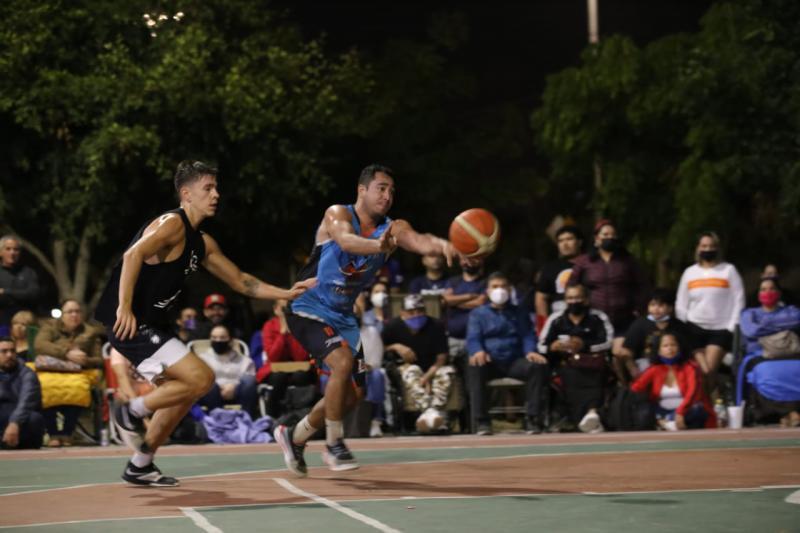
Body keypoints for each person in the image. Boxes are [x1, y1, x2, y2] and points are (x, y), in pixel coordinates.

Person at [94, 160, 312, 487]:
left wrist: (286, 293)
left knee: (181, 393)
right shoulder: (171, 223)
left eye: (216, 187)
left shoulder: (203, 243)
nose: (216, 194)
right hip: (131, 323)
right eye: (207, 188)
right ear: (186, 194)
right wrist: (124, 306)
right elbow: (131, 256)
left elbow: (241, 281)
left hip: (155, 323)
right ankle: (130, 412)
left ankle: (140, 464)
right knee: (202, 378)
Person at [274, 163, 458, 476]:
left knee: (353, 396)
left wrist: (443, 245)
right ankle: (334, 444)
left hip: (343, 316)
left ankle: (294, 436)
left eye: (391, 191)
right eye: (381, 188)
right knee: (343, 363)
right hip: (307, 306)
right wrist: (379, 246)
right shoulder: (338, 214)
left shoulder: (392, 228)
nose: (387, 196)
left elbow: (417, 239)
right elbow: (346, 241)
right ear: (362, 190)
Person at [466, 272, 549, 435]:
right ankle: (482, 421)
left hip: (514, 361)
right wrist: (478, 351)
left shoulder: (520, 312)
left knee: (536, 367)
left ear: (510, 290)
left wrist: (531, 351)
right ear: (487, 291)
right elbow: (473, 337)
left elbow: (528, 335)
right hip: (491, 361)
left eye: (503, 286)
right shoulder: (478, 314)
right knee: (475, 367)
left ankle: (533, 419)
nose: (500, 290)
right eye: (495, 287)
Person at [568, 220, 649, 366]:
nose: (609, 238)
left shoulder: (627, 261)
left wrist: (638, 309)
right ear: (596, 238)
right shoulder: (584, 262)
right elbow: (572, 286)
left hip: (623, 319)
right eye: (605, 234)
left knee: (621, 355)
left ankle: (627, 387)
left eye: (613, 235)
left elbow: (642, 286)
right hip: (594, 320)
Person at [538, 284, 614, 433]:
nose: (574, 301)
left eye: (578, 298)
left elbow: (608, 342)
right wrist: (552, 347)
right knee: (570, 375)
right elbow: (541, 345)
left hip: (592, 362)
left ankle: (591, 413)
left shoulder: (598, 317)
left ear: (586, 300)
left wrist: (584, 346)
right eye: (570, 298)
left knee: (595, 375)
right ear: (565, 300)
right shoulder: (556, 319)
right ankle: (586, 417)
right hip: (564, 364)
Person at [675, 231, 745, 392]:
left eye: (711, 246)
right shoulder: (689, 273)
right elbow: (681, 303)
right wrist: (683, 326)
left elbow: (739, 300)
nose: (708, 249)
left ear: (717, 249)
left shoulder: (729, 270)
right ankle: (703, 405)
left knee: (710, 369)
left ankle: (707, 405)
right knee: (700, 371)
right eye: (704, 246)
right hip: (694, 328)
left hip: (720, 329)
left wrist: (732, 326)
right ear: (698, 249)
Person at [33, 299, 103, 447]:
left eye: (77, 311)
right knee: (46, 388)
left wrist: (86, 361)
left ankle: (67, 433)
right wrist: (66, 353)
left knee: (77, 389)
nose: (74, 315)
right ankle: (53, 434)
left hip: (77, 374)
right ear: (62, 315)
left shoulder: (90, 332)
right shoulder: (50, 326)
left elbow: (99, 359)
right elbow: (39, 345)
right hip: (50, 371)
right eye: (70, 312)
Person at [382, 294, 453, 433]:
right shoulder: (392, 326)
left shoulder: (436, 325)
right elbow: (380, 347)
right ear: (402, 312)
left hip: (432, 367)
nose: (416, 315)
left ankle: (429, 413)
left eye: (420, 311)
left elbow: (442, 357)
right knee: (412, 371)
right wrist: (396, 346)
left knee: (446, 372)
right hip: (405, 366)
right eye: (411, 312)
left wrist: (427, 377)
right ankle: (432, 415)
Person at [738, 278, 800, 427]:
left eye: (771, 288)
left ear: (779, 292)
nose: (767, 292)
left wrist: (764, 324)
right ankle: (790, 413)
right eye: (763, 289)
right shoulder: (749, 313)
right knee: (766, 373)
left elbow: (796, 320)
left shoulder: (791, 310)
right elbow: (751, 330)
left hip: (790, 353)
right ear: (758, 293)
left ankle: (787, 416)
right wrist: (781, 325)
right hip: (760, 356)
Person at [630, 332, 716, 430]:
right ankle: (664, 422)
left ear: (679, 347)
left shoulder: (690, 367)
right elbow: (636, 388)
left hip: (686, 410)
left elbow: (693, 393)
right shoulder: (654, 369)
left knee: (697, 408)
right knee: (644, 411)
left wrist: (680, 413)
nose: (670, 349)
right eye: (665, 346)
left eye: (673, 345)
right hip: (661, 411)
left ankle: (667, 423)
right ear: (659, 351)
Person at [617, 289, 696, 385]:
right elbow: (626, 351)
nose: (656, 309)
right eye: (652, 305)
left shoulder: (679, 326)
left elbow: (687, 351)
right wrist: (632, 368)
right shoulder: (640, 324)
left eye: (661, 305)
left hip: (674, 363)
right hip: (646, 363)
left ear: (670, 308)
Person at [256, 299, 313, 419]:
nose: (287, 311)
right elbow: (273, 356)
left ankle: (301, 415)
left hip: (299, 367)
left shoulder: (300, 326)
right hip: (276, 368)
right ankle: (273, 416)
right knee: (279, 377)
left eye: (290, 308)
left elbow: (301, 356)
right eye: (283, 308)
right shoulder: (269, 326)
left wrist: (291, 332)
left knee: (302, 376)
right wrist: (282, 334)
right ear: (276, 310)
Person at [195, 325, 258, 417]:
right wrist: (220, 387)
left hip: (238, 392)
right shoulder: (202, 359)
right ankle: (218, 419)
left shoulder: (244, 360)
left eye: (222, 337)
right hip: (212, 394)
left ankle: (247, 419)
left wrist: (233, 387)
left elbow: (249, 377)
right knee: (208, 384)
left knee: (249, 380)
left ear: (230, 339)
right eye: (214, 337)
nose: (218, 341)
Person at [534, 225, 583, 331]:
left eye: (569, 239)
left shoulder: (591, 266)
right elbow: (540, 298)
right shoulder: (550, 268)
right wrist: (544, 327)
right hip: (559, 324)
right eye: (560, 241)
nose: (565, 244)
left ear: (579, 242)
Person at [0, 336, 44, 449]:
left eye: (12, 351)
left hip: (21, 417)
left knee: (34, 419)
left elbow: (27, 402)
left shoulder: (28, 374)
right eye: (4, 351)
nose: (9, 355)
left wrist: (14, 423)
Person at [0, 235, 40, 333]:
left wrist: (5, 292)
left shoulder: (29, 273)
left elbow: (33, 294)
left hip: (26, 322)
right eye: (8, 249)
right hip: (2, 322)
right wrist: (20, 294)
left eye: (16, 249)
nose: (12, 253)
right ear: (0, 252)